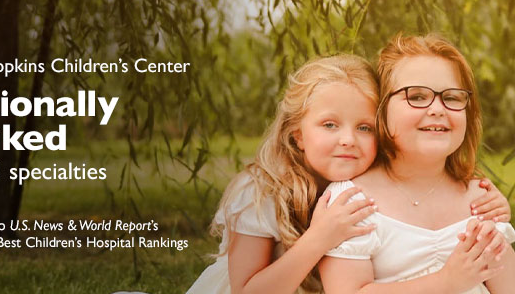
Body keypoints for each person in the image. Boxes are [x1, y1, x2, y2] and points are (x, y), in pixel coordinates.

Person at [186, 54, 510, 294]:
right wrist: (319, 237)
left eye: (364, 127)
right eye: (329, 124)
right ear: (297, 133)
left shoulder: (365, 179)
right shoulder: (262, 190)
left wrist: (491, 204)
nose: (348, 139)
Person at [318, 34, 515, 294]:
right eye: (417, 96)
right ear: (382, 110)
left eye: (453, 97)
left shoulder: (481, 201)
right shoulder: (353, 202)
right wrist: (446, 283)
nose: (437, 108)